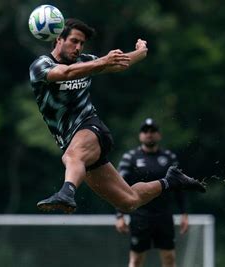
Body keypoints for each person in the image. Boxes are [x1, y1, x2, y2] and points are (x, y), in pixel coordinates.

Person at [29, 18, 206, 214]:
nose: (78, 47)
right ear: (58, 39)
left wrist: (141, 51)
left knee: (71, 156)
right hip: (72, 143)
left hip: (91, 129)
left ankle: (66, 193)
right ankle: (171, 181)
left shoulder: (86, 62)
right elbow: (65, 73)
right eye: (74, 41)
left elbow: (122, 64)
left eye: (82, 43)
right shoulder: (41, 65)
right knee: (129, 201)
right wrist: (102, 61)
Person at [115, 118, 189, 267]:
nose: (149, 134)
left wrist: (184, 213)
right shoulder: (130, 158)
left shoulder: (169, 157)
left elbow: (179, 187)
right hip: (140, 215)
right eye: (145, 131)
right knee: (136, 260)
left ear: (159, 135)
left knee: (169, 258)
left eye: (153, 131)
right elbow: (119, 187)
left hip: (164, 215)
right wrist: (119, 215)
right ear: (140, 135)